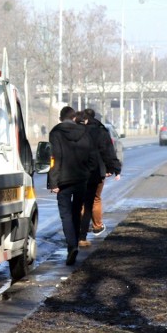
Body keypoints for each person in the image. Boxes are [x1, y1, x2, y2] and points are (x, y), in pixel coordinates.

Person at [47, 106, 94, 265]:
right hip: (81, 178)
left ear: (61, 118)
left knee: (65, 215)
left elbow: (55, 157)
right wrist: (88, 173)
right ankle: (74, 242)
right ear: (74, 117)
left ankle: (72, 245)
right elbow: (90, 155)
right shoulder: (84, 132)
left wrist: (53, 182)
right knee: (76, 212)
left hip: (63, 180)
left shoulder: (56, 132)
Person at [78, 109, 122, 247]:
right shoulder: (101, 131)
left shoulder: (78, 131)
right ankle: (97, 226)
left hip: (79, 171)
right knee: (95, 198)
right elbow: (108, 151)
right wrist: (113, 169)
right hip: (98, 171)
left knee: (81, 200)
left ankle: (81, 228)